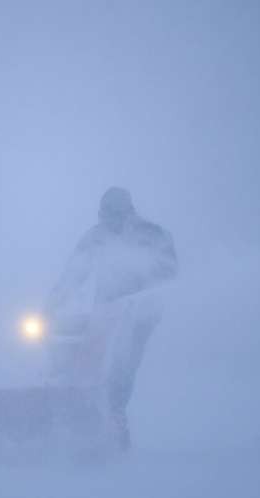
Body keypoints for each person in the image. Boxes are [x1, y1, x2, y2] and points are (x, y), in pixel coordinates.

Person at [45, 187, 178, 450]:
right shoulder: (96, 237)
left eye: (113, 215)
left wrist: (144, 295)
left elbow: (170, 272)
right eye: (104, 216)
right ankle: (75, 419)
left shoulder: (151, 235)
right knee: (80, 362)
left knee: (120, 366)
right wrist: (52, 304)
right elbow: (74, 273)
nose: (109, 221)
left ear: (127, 212)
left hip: (140, 316)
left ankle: (114, 421)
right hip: (104, 312)